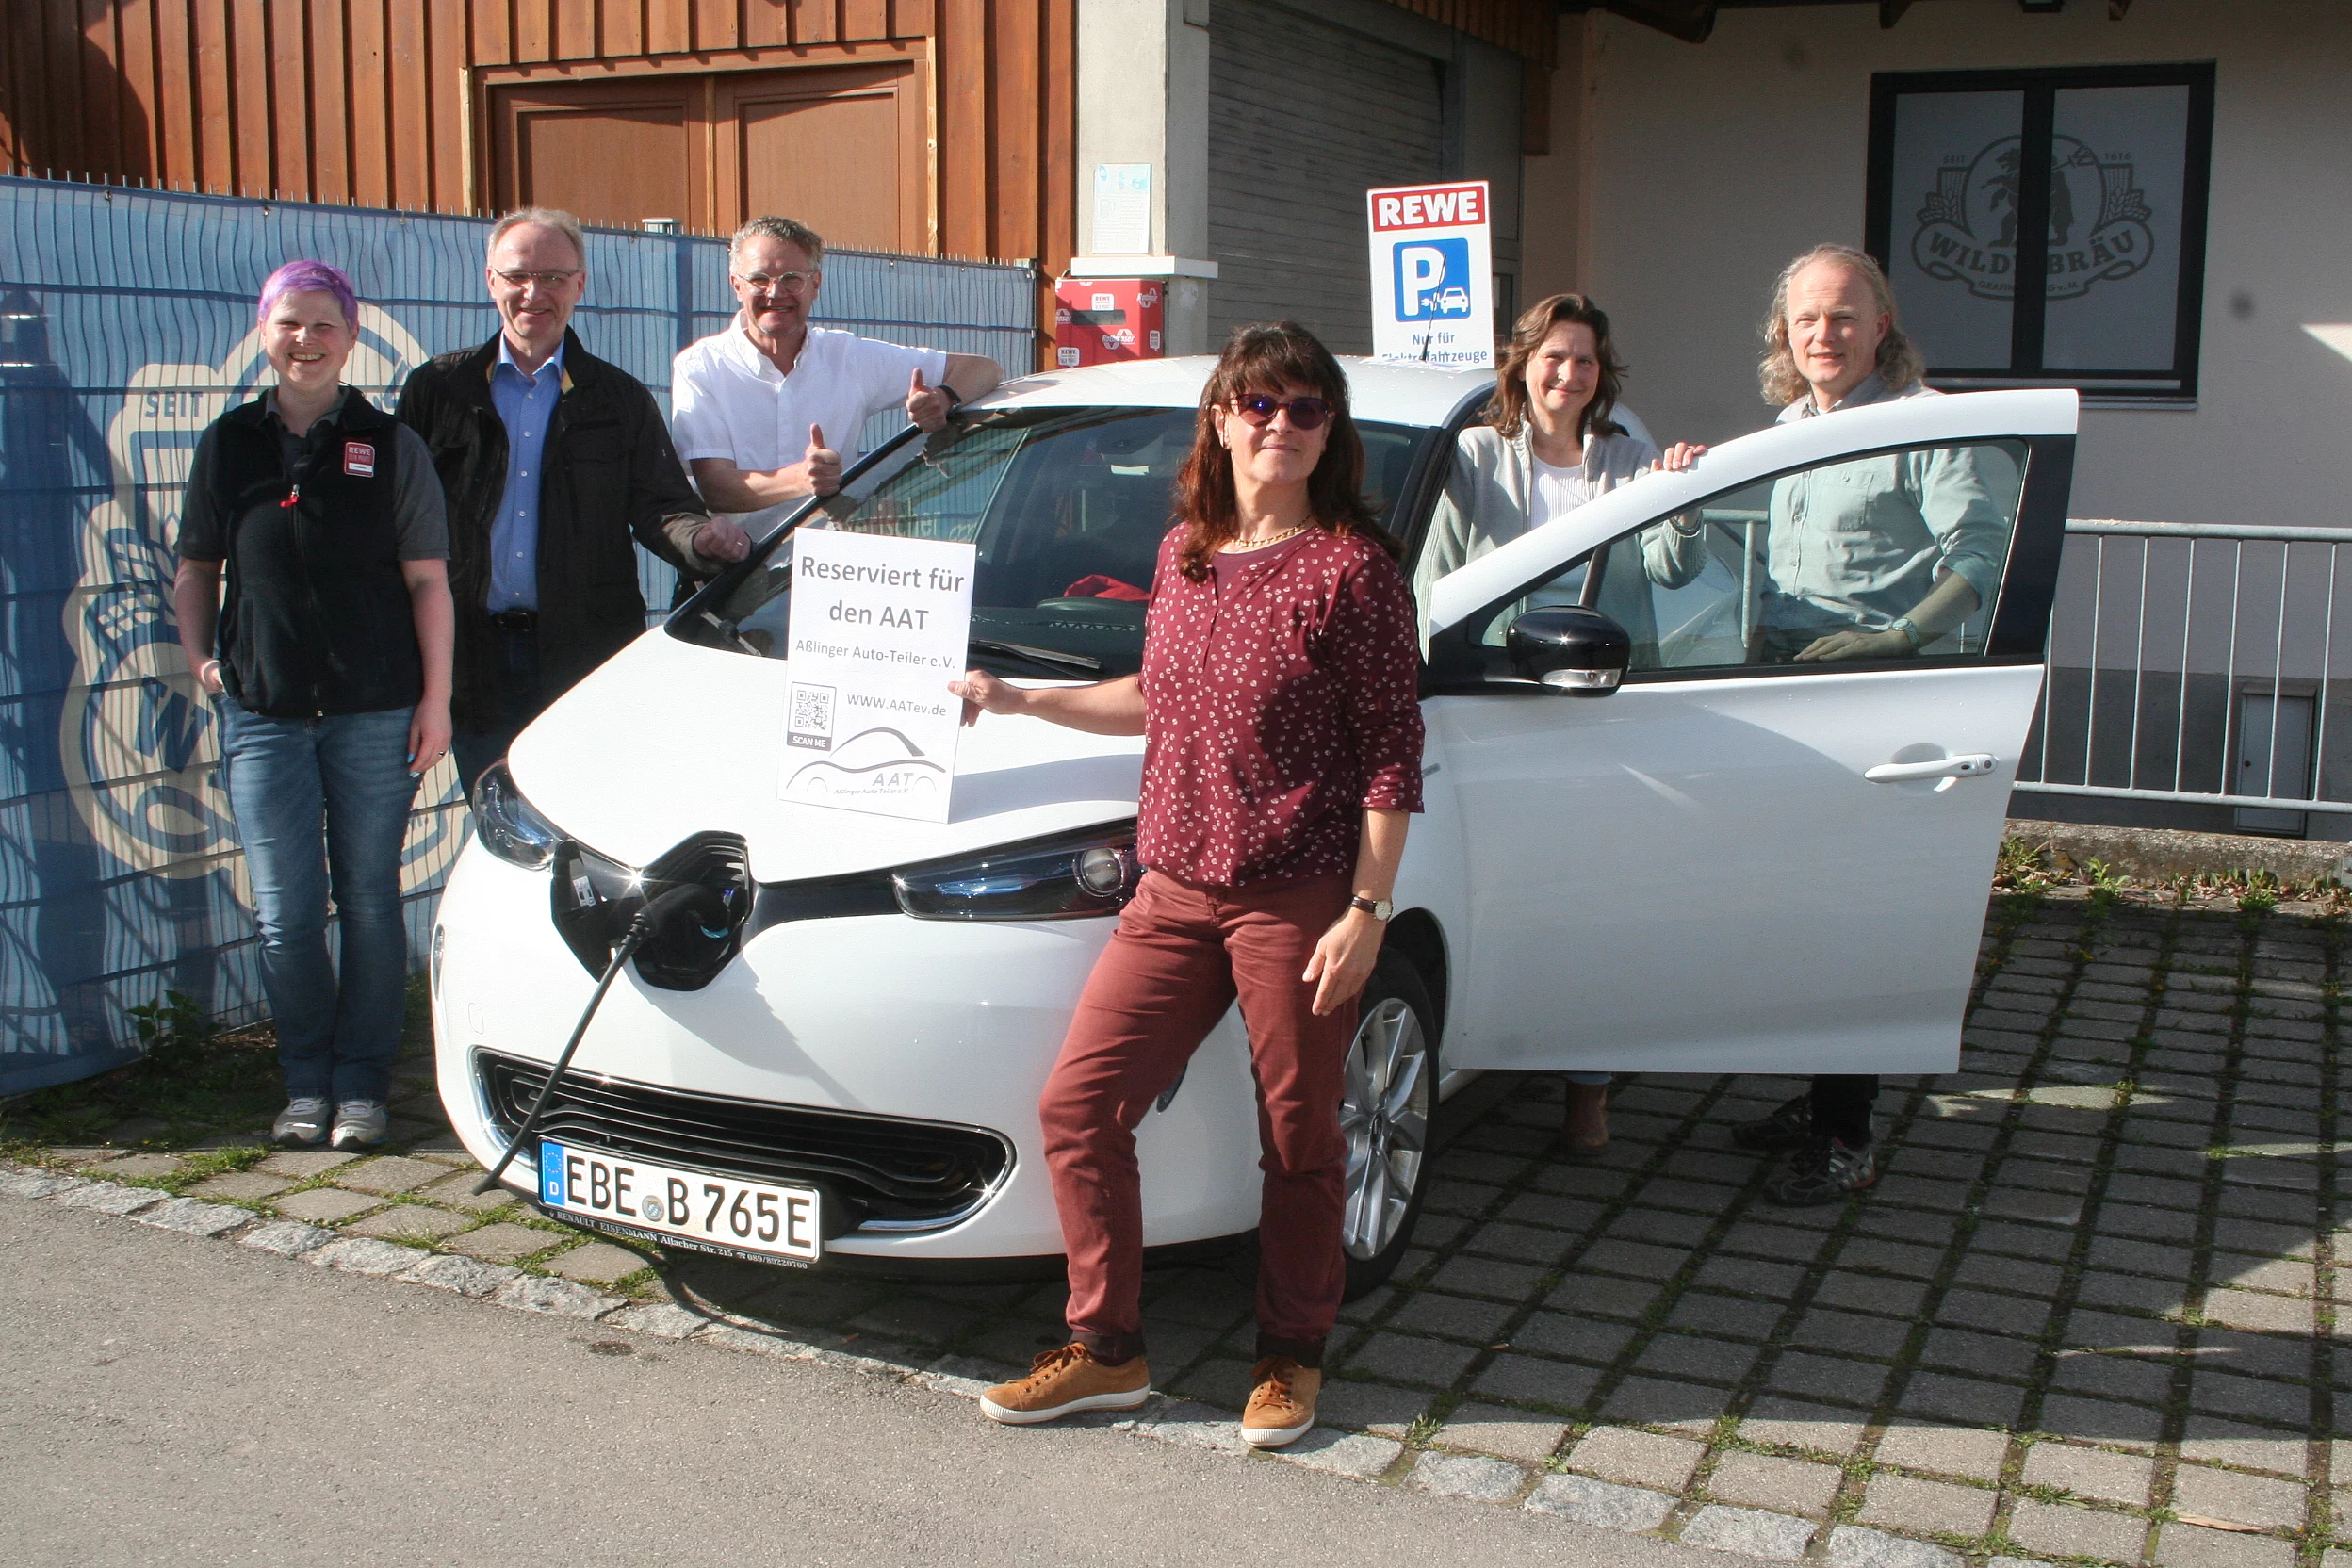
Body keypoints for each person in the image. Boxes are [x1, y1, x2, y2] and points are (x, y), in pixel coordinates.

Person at [950, 322, 1424, 1450]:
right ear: (1220, 418)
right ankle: (1107, 1349)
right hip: (1172, 887)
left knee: (1301, 1132)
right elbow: (1156, 699)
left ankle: (1290, 1353)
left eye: (1306, 409)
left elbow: (1391, 755)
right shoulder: (1186, 554)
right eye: (1259, 405)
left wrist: (1367, 910)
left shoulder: (1354, 570)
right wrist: (1020, 698)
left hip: (1297, 894)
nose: (1281, 426)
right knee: (1078, 1104)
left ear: (1330, 430)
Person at [1731, 242, 2012, 1206]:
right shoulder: (1789, 426)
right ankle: (1819, 1101)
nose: (1824, 334)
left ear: (1881, 325)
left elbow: (1981, 559)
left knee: (1852, 923)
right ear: (1785, 330)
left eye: (1844, 316)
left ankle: (1846, 1136)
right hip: (1792, 700)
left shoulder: (1928, 425)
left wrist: (1892, 635)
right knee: (1799, 915)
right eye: (1807, 317)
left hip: (1880, 713)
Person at [1413, 292, 1708, 1156]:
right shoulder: (1473, 453)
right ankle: (1493, 1046)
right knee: (1505, 898)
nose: (1568, 373)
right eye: (1554, 356)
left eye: (1583, 359)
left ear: (1599, 375)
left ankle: (1590, 1087)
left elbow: (1673, 566)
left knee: (1599, 901)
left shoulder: (1629, 454)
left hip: (1597, 703)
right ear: (1525, 364)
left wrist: (1682, 500)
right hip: (1492, 699)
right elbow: (1433, 572)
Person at [172, 260, 454, 1152]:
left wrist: (436, 700)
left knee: (369, 899)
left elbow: (428, 583)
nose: (307, 341)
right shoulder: (229, 443)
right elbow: (195, 571)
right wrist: (202, 662)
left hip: (375, 711)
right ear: (266, 332)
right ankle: (306, 1083)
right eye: (290, 324)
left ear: (352, 336)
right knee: (287, 911)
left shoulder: (390, 443)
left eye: (324, 326)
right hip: (264, 713)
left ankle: (364, 1088)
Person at [396, 207, 715, 787]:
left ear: (580, 284)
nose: (533, 293)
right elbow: (398, 521)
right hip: (472, 659)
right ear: (490, 280)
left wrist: (704, 539)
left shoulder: (617, 398)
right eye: (517, 275)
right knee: (498, 829)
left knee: (583, 827)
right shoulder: (436, 390)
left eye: (553, 277)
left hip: (583, 657)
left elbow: (662, 508)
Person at [668, 215, 1004, 564]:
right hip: (735, 579)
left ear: (816, 284)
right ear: (736, 285)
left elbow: (984, 368)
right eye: (759, 279)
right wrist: (802, 478)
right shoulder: (701, 365)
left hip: (830, 572)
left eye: (791, 280)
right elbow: (717, 489)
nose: (775, 292)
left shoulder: (847, 357)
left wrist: (944, 397)